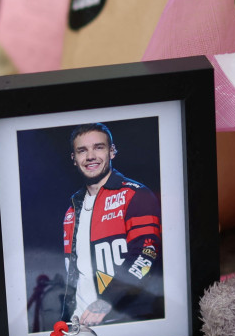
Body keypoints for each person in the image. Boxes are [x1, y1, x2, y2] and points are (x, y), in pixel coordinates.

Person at [60, 123, 163, 325]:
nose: (90, 156)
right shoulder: (71, 211)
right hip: (78, 325)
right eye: (82, 150)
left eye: (98, 147)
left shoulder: (135, 194)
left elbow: (145, 254)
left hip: (124, 319)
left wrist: (106, 301)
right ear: (74, 159)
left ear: (112, 152)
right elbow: (73, 275)